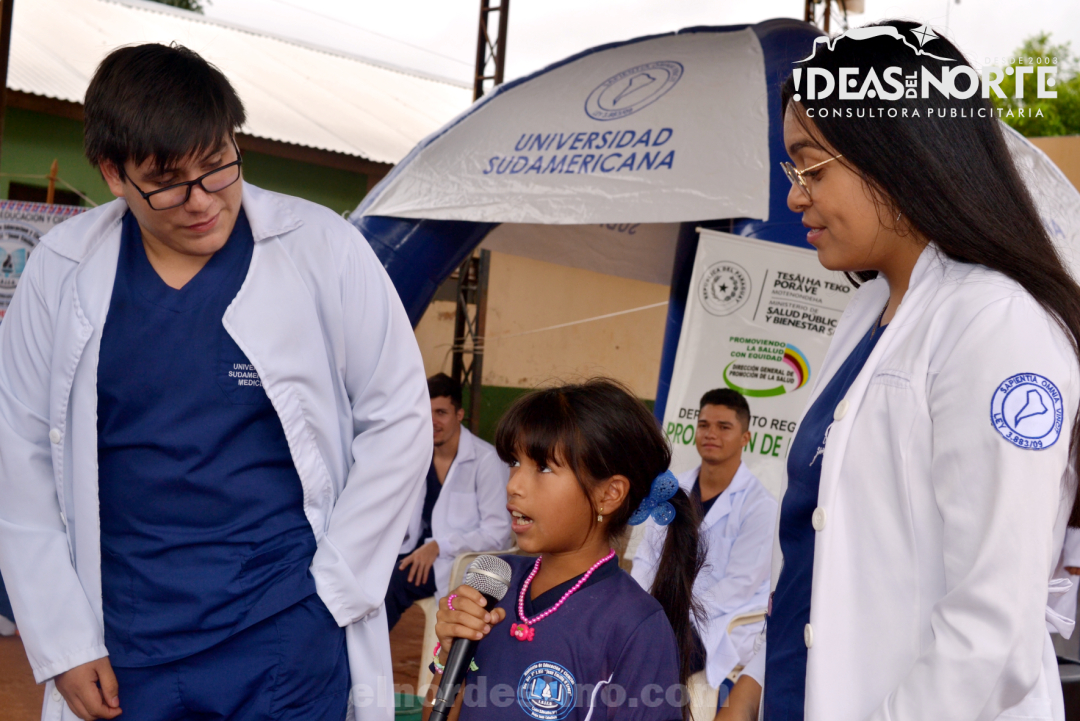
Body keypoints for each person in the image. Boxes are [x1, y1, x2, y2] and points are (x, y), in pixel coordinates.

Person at [0, 44, 431, 721]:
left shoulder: (321, 249)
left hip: (284, 629)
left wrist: (334, 591)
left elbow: (401, 415)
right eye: (169, 181)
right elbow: (16, 457)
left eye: (218, 165)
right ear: (114, 174)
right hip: (122, 649)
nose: (203, 200)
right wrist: (61, 640)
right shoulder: (60, 271)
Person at [724, 20, 1080, 721]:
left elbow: (992, 628)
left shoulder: (996, 325)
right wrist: (756, 683)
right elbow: (817, 552)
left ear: (898, 153)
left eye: (810, 166)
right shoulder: (865, 316)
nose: (795, 196)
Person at [432, 379, 704, 720]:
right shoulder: (493, 587)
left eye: (544, 468)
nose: (514, 484)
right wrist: (449, 653)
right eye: (514, 462)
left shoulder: (635, 624)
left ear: (608, 494)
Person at [632, 388, 776, 708]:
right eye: (704, 424)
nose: (711, 434)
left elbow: (738, 586)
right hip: (662, 609)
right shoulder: (675, 489)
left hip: (718, 621)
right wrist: (639, 604)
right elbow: (647, 557)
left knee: (654, 654)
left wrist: (673, 611)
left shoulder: (759, 505)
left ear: (745, 438)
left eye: (724, 427)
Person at [384, 373, 511, 630]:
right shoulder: (418, 455)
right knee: (367, 579)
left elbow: (498, 533)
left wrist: (439, 546)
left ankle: (358, 664)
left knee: (391, 587)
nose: (432, 422)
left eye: (441, 412)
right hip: (416, 549)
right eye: (426, 412)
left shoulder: (485, 460)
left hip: (456, 559)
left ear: (459, 414)